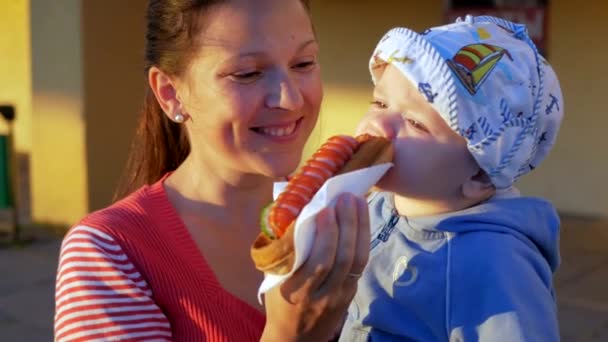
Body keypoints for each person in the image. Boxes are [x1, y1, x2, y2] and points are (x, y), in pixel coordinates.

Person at [53, 0, 370, 341]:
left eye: (304, 63)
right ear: (170, 93)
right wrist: (290, 334)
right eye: (247, 73)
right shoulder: (112, 252)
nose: (290, 99)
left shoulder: (351, 213)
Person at [340, 15, 563, 341]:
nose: (380, 125)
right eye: (380, 101)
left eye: (415, 123)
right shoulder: (376, 205)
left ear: (479, 175)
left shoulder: (494, 265)